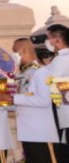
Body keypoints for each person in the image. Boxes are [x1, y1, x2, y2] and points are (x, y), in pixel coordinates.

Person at [0, 38, 59, 163]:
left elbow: (44, 100)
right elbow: (20, 103)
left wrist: (13, 98)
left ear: (23, 50)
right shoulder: (23, 74)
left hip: (41, 133)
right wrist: (4, 102)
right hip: (27, 132)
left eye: (14, 51)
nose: (12, 55)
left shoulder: (41, 72)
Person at [46, 24, 69, 163]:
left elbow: (45, 84)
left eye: (49, 38)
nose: (47, 42)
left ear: (57, 40)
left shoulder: (60, 60)